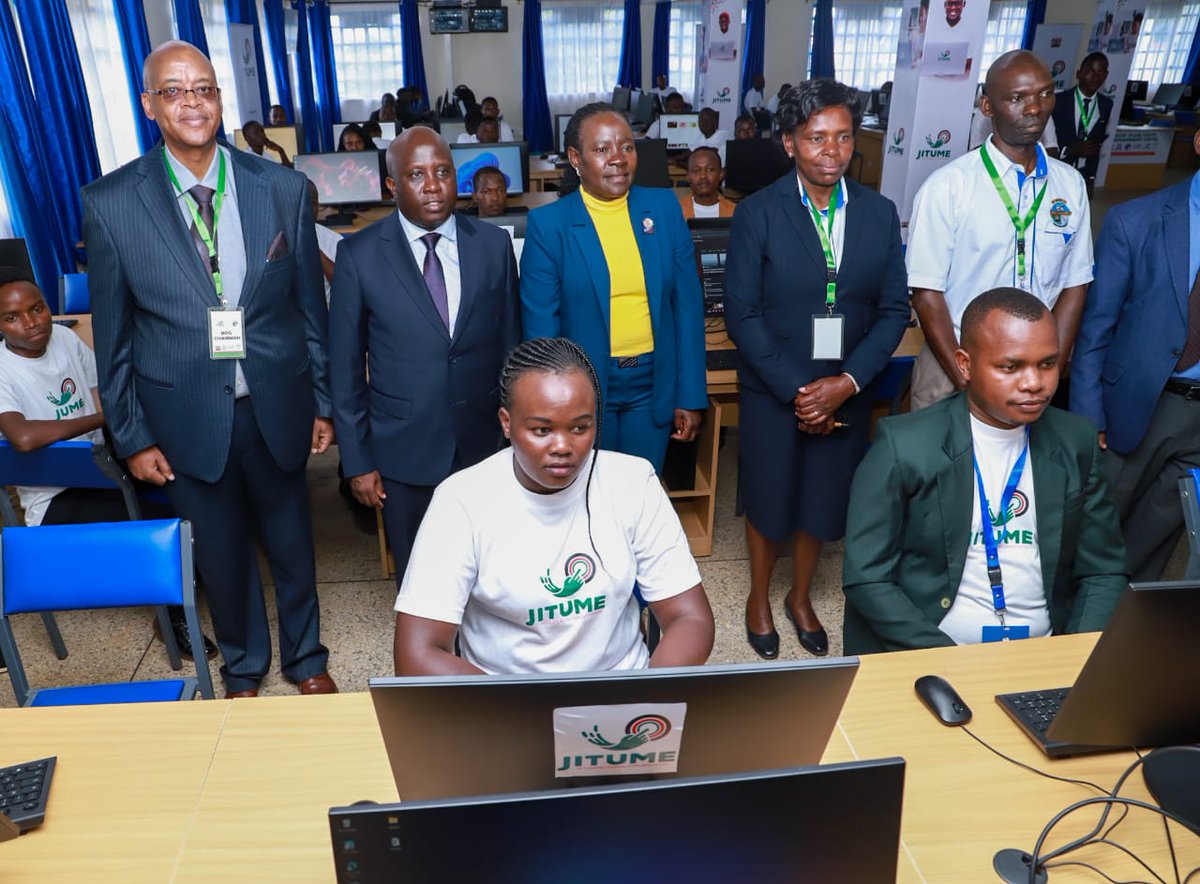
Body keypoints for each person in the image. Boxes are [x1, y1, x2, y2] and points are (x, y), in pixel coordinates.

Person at [82, 40, 336, 699]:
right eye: (174, 91)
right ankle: (244, 667)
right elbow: (113, 338)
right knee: (220, 552)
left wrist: (324, 402)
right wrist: (131, 436)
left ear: (220, 98)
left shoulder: (280, 188)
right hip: (183, 413)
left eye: (204, 88)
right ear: (149, 105)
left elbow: (310, 309)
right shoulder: (111, 203)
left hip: (276, 400)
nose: (192, 102)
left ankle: (306, 658)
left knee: (293, 542)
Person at [392, 338, 715, 675]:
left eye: (580, 427)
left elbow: (690, 618)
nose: (562, 446)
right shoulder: (461, 501)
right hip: (503, 696)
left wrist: (642, 694)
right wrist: (519, 704)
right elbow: (417, 654)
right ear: (506, 422)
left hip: (621, 687)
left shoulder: (633, 482)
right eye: (542, 430)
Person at [724, 79, 909, 659]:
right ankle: (759, 598)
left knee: (822, 497)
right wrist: (801, 392)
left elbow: (893, 310)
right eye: (816, 138)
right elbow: (742, 313)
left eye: (843, 137)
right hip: (775, 387)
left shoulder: (879, 214)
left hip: (846, 385)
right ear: (789, 143)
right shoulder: (757, 213)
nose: (832, 151)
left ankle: (800, 597)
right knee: (769, 495)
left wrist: (845, 384)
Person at [842, 289, 1126, 654]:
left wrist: (1073, 656)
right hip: (933, 650)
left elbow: (1103, 570)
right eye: (1010, 367)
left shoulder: (1076, 440)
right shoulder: (904, 445)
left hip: (1045, 651)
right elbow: (867, 577)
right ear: (965, 365)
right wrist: (946, 660)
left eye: (1047, 364)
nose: (1034, 383)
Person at [329, 127, 520, 588]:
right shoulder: (358, 255)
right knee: (421, 581)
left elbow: (513, 348)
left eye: (443, 172)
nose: (433, 186)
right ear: (392, 185)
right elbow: (345, 368)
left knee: (491, 574)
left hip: (483, 443)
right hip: (402, 450)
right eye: (416, 175)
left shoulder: (493, 245)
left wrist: (518, 434)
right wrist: (357, 460)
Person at [0, 268, 217, 661]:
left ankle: (208, 581)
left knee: (194, 491)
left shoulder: (64, 337)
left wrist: (117, 423)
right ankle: (172, 618)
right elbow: (24, 437)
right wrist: (103, 419)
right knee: (170, 524)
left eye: (38, 308)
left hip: (103, 469)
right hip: (57, 499)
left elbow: (103, 392)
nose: (31, 323)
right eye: (12, 317)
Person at [520, 103, 707, 473]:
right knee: (584, 491)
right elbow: (541, 332)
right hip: (581, 387)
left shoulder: (663, 208)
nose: (618, 159)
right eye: (602, 149)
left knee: (639, 486)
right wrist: (551, 405)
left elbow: (687, 307)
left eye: (626, 147)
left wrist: (691, 395)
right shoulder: (549, 225)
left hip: (653, 383)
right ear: (576, 158)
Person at [906, 50, 1092, 411]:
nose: (1035, 108)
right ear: (988, 106)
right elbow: (927, 294)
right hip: (954, 362)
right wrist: (966, 380)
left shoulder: (1070, 185)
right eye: (1017, 98)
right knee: (942, 449)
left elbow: (1075, 285)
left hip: (1032, 374)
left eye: (1045, 93)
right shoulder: (948, 187)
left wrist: (1051, 370)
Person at [1070, 129, 1200, 582]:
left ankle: (1123, 619)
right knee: (1092, 537)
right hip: (1135, 408)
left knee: (1153, 546)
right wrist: (1089, 417)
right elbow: (1095, 328)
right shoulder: (1136, 220)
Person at [1050, 52, 1112, 197]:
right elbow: (1045, 140)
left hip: (1083, 174)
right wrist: (1069, 150)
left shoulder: (1106, 104)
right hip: (1057, 169)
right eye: (1091, 71)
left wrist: (1091, 177)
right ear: (1079, 74)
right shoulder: (1058, 101)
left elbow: (1096, 145)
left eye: (1101, 72)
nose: (1095, 77)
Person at [306, 180, 340, 305]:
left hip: (324, 312)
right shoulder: (274, 239)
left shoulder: (334, 241)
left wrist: (316, 252)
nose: (307, 209)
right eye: (301, 202)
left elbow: (345, 287)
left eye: (312, 203)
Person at [678, 147, 735, 219]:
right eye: (696, 170)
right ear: (688, 176)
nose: (703, 176)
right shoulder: (675, 211)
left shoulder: (736, 212)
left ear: (721, 174)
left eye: (710, 169)